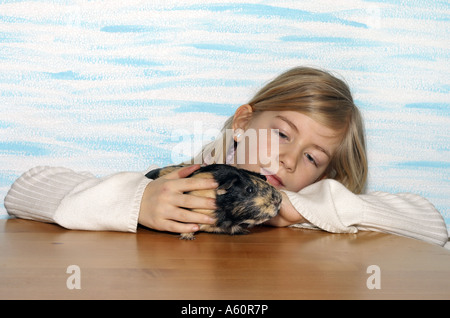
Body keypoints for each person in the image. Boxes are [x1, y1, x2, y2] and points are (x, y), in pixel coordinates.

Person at [4, 67, 448, 246]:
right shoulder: (179, 183)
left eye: (313, 158)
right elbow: (25, 190)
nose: (290, 161)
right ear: (242, 124)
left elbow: (432, 226)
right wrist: (137, 201)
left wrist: (305, 208)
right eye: (280, 134)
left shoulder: (311, 209)